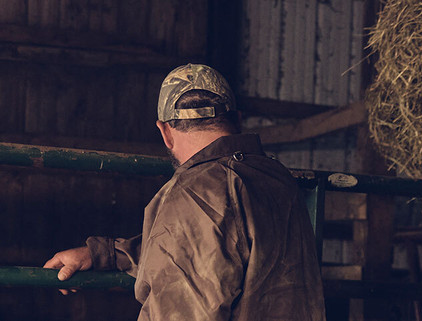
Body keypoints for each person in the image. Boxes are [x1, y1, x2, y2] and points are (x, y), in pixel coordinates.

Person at [44, 64, 325, 321]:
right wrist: (106, 253)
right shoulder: (278, 178)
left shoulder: (194, 192)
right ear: (238, 120)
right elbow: (219, 246)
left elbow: (193, 276)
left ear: (165, 132)